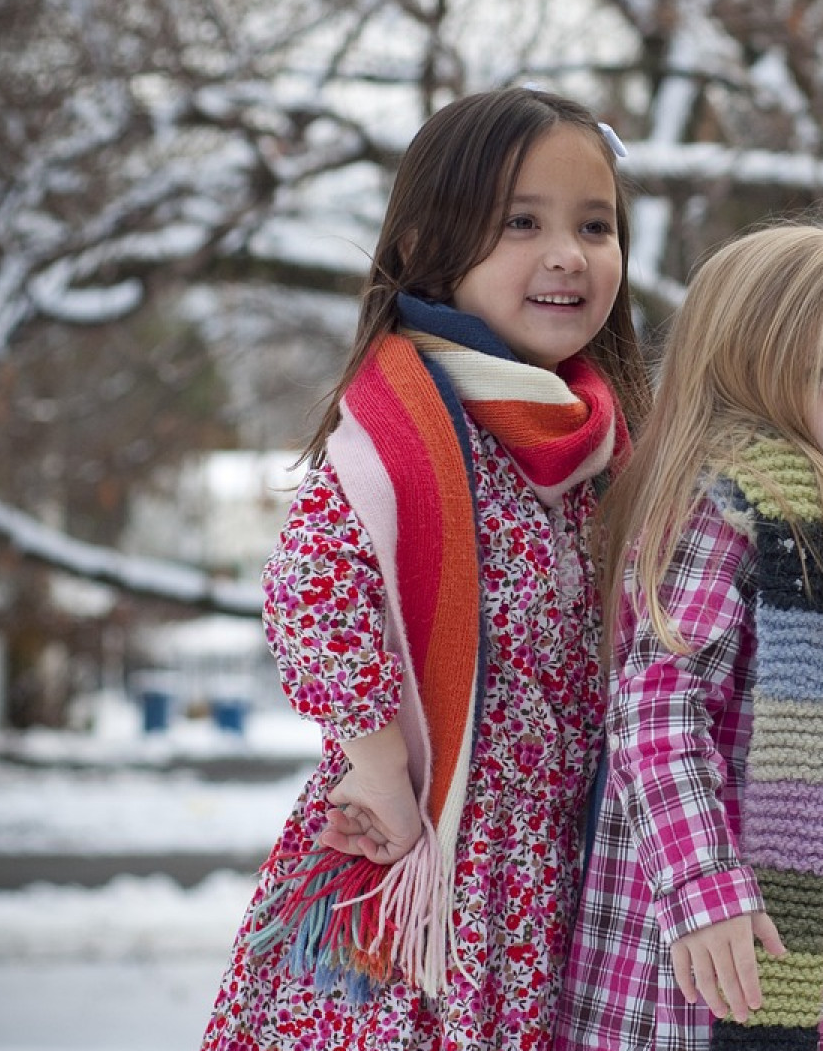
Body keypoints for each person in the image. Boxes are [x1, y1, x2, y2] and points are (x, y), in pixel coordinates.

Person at [201, 86, 650, 1050]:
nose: (568, 254)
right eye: (520, 223)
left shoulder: (609, 447)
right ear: (422, 249)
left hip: (566, 870)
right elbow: (313, 592)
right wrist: (380, 778)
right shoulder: (402, 436)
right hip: (417, 865)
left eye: (595, 225)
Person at [557, 223, 823, 1051]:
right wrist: (704, 886)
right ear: (743, 379)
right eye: (816, 375)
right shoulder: (730, 514)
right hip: (703, 963)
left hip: (811, 956)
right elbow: (655, 711)